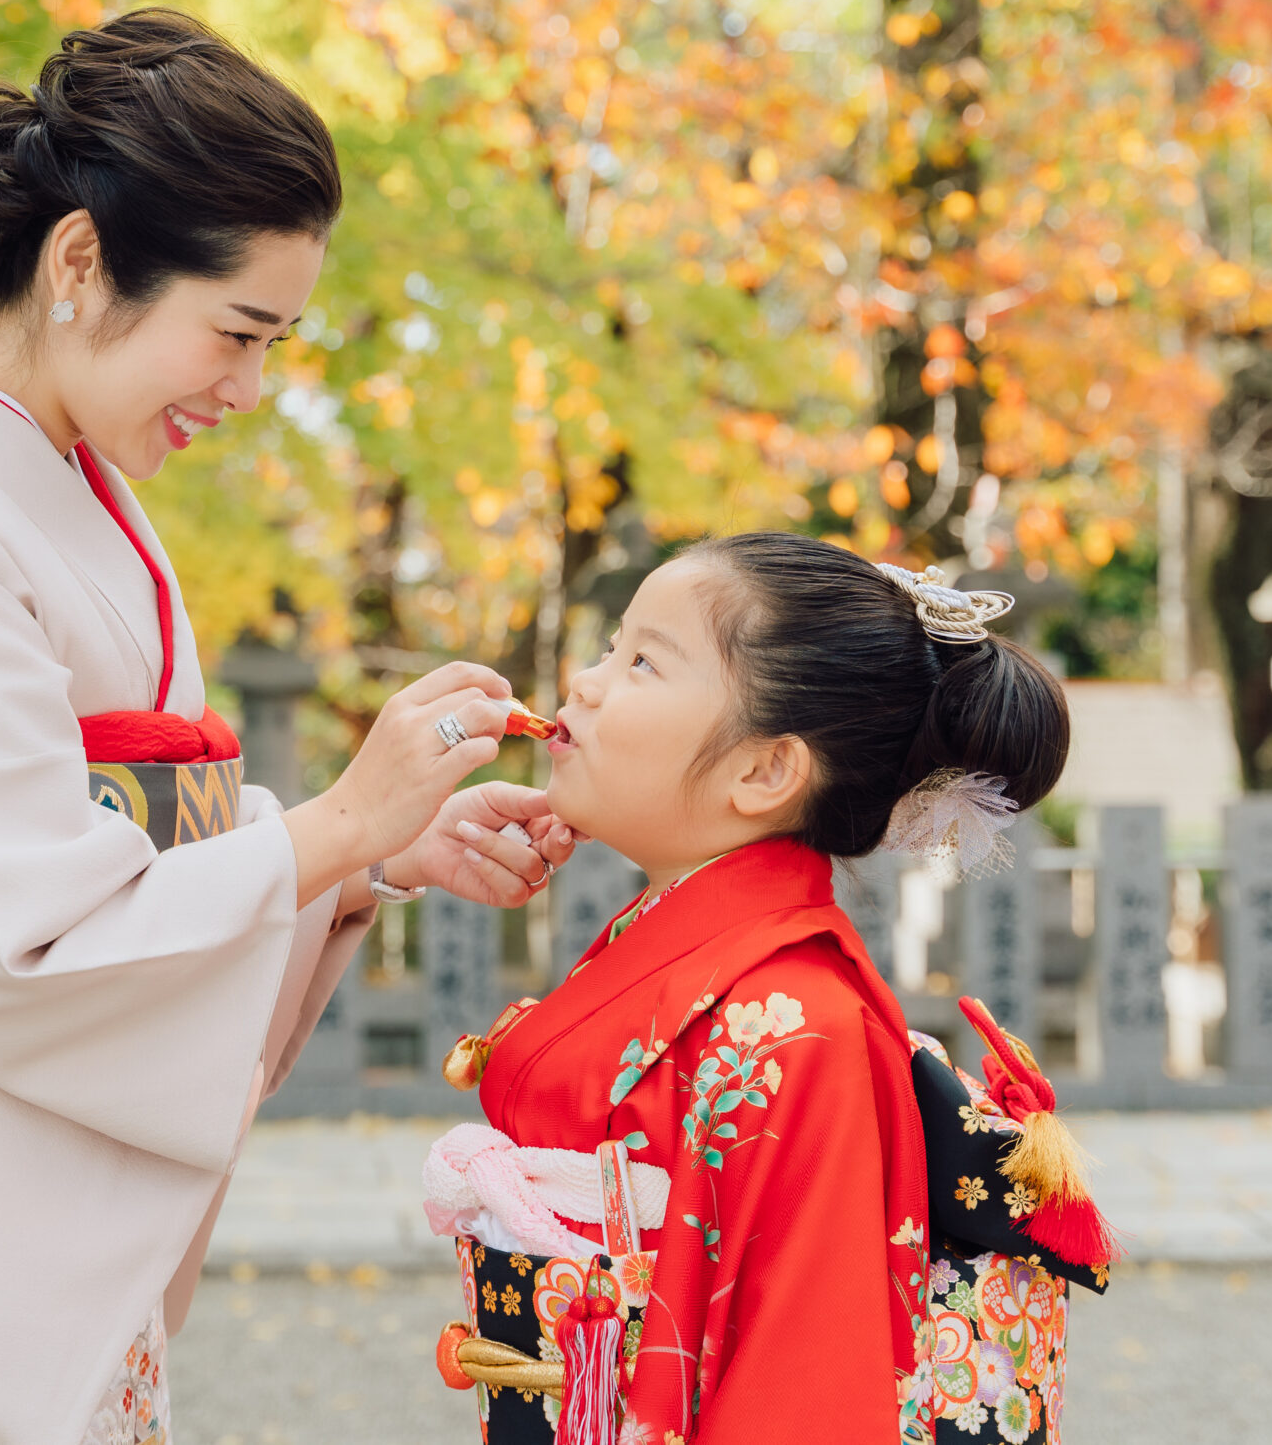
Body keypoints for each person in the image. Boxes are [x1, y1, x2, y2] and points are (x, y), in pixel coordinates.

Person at [0, 9, 574, 1445]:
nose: (246, 390)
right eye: (235, 333)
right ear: (78, 262)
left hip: (26, 1177)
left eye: (272, 345)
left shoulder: (69, 491)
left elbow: (113, 863)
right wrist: (337, 824)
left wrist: (372, 855)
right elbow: (19, 939)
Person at [421, 534, 1110, 1445]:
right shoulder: (709, 960)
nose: (584, 682)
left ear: (764, 771)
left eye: (641, 662)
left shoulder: (796, 1024)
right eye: (611, 647)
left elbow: (805, 1386)